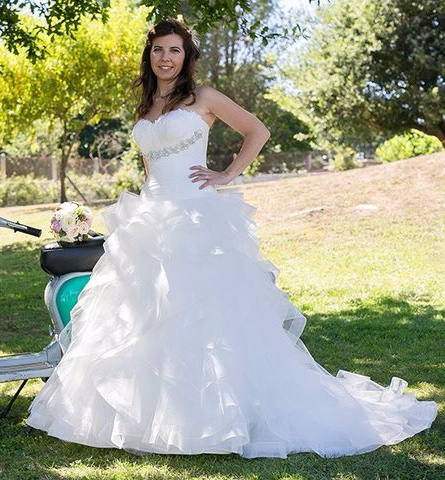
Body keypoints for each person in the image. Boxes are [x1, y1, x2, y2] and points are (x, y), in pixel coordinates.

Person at [25, 18, 437, 458]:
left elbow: (258, 130)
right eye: (159, 50)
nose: (166, 57)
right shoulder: (146, 105)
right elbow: (150, 163)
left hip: (196, 214)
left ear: (187, 57)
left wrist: (226, 174)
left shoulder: (203, 97)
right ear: (149, 56)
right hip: (151, 215)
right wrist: (146, 201)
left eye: (175, 50)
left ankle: (220, 414)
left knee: (204, 314)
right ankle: (155, 414)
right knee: (143, 314)